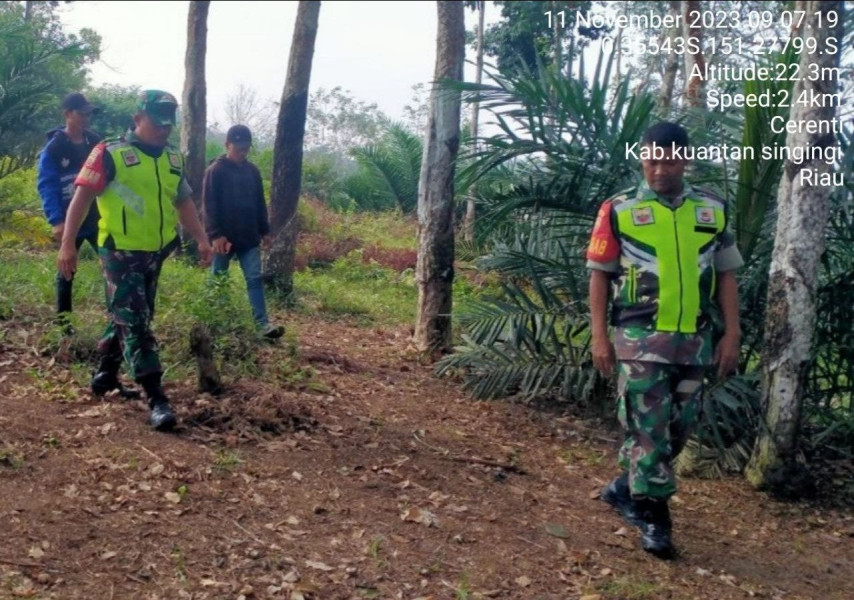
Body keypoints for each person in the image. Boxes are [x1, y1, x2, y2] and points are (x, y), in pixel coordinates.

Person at [586, 121, 743, 559]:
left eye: (669, 159)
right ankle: (654, 514)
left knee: (679, 425)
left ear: (684, 159)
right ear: (643, 158)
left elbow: (727, 274)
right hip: (639, 338)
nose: (660, 168)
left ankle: (626, 487)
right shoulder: (618, 210)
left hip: (694, 339)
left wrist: (732, 332)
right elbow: (599, 277)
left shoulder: (712, 210)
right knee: (648, 425)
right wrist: (600, 337)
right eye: (652, 159)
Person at [58, 90, 212, 432]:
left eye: (170, 123)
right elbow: (81, 197)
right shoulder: (110, 153)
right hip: (119, 250)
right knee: (137, 321)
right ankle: (156, 395)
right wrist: (68, 243)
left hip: (156, 252)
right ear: (138, 118)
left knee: (128, 315)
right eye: (158, 122)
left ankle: (105, 375)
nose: (165, 128)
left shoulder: (172, 160)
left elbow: (183, 202)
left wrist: (201, 238)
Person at [202, 124, 284, 340]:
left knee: (255, 278)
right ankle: (214, 323)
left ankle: (263, 325)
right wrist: (215, 234)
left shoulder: (252, 171)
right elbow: (209, 206)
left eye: (246, 148)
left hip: (249, 237)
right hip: (223, 239)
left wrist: (265, 231)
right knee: (218, 279)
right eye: (238, 148)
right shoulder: (215, 171)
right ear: (227, 145)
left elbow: (259, 203)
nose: (242, 152)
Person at [37, 92, 103, 331]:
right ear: (67, 114)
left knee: (111, 264)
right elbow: (47, 185)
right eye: (81, 113)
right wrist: (56, 221)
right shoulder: (55, 147)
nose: (87, 118)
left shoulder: (95, 142)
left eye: (89, 113)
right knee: (66, 271)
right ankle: (65, 327)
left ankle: (117, 319)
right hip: (69, 220)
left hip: (97, 218)